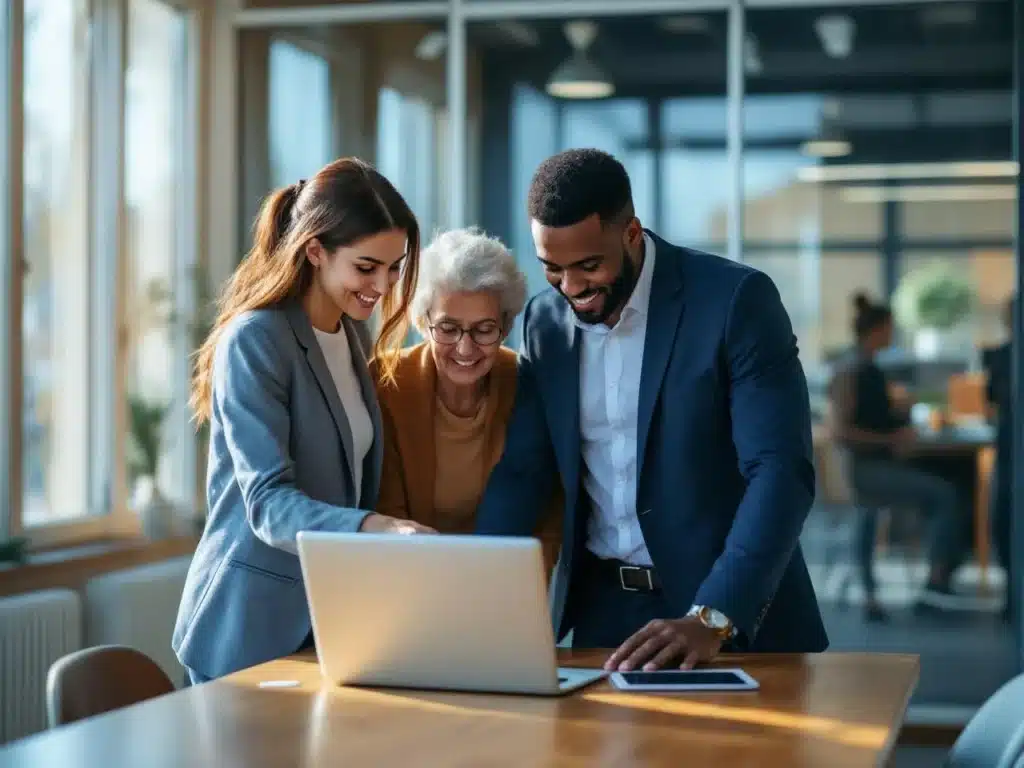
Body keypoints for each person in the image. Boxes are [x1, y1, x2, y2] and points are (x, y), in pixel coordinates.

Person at [475, 148, 827, 672]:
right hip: (604, 621)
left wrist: (715, 615)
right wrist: (469, 589)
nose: (572, 290)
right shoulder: (543, 324)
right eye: (553, 269)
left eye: (589, 266)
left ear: (631, 233)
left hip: (727, 616)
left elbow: (780, 471)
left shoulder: (734, 302)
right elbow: (526, 471)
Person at [173, 158, 434, 684]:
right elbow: (268, 504)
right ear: (315, 250)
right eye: (366, 268)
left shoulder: (349, 332)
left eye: (395, 268)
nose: (382, 286)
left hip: (326, 626)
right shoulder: (256, 340)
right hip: (249, 630)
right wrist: (374, 528)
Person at [373, 228, 562, 576]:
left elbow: (546, 510)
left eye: (483, 329)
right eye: (448, 328)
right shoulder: (385, 381)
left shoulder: (525, 383)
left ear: (505, 326)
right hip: (403, 577)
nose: (465, 348)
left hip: (500, 584)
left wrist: (523, 582)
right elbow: (385, 511)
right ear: (422, 320)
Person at [829, 292, 964, 622]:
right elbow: (842, 432)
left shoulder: (868, 367)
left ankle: (936, 580)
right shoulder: (852, 370)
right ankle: (935, 586)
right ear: (878, 329)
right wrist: (892, 437)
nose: (893, 335)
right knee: (945, 494)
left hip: (880, 463)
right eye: (890, 328)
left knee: (949, 481)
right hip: (866, 471)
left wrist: (898, 414)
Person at [981, 295, 1015, 622]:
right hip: (1009, 447)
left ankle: (1011, 594)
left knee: (1004, 517)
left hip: (1009, 447)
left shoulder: (1000, 357)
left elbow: (992, 400)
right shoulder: (1001, 356)